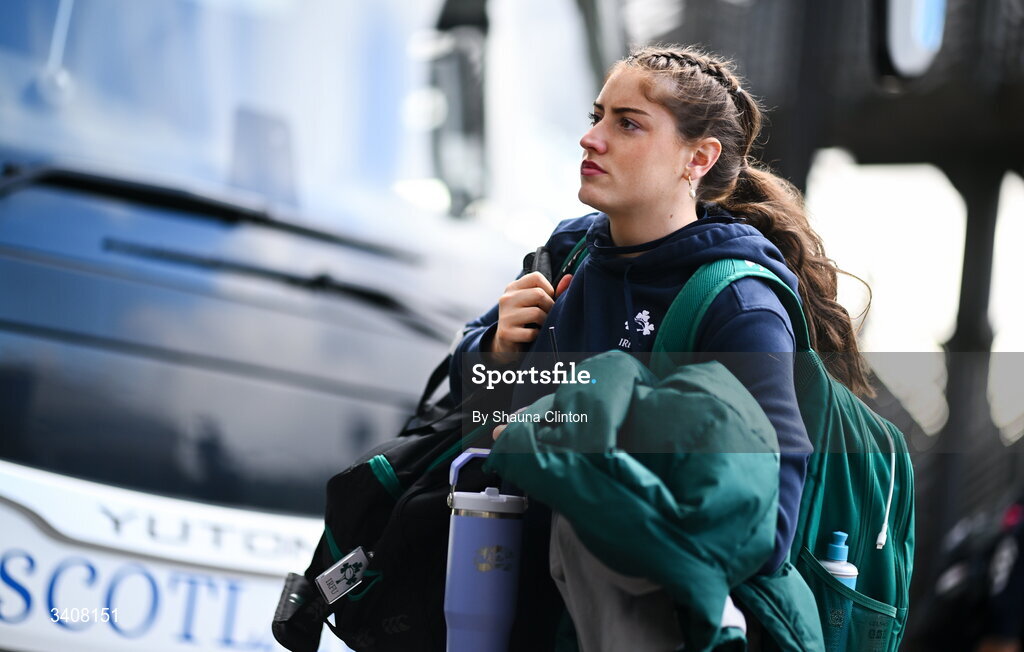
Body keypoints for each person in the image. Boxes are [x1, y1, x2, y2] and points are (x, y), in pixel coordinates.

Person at [449, 44, 872, 650]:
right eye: (597, 116)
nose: (591, 139)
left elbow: (768, 531)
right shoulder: (567, 254)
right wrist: (490, 350)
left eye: (627, 123)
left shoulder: (738, 306)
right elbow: (470, 417)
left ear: (697, 158)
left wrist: (590, 439)